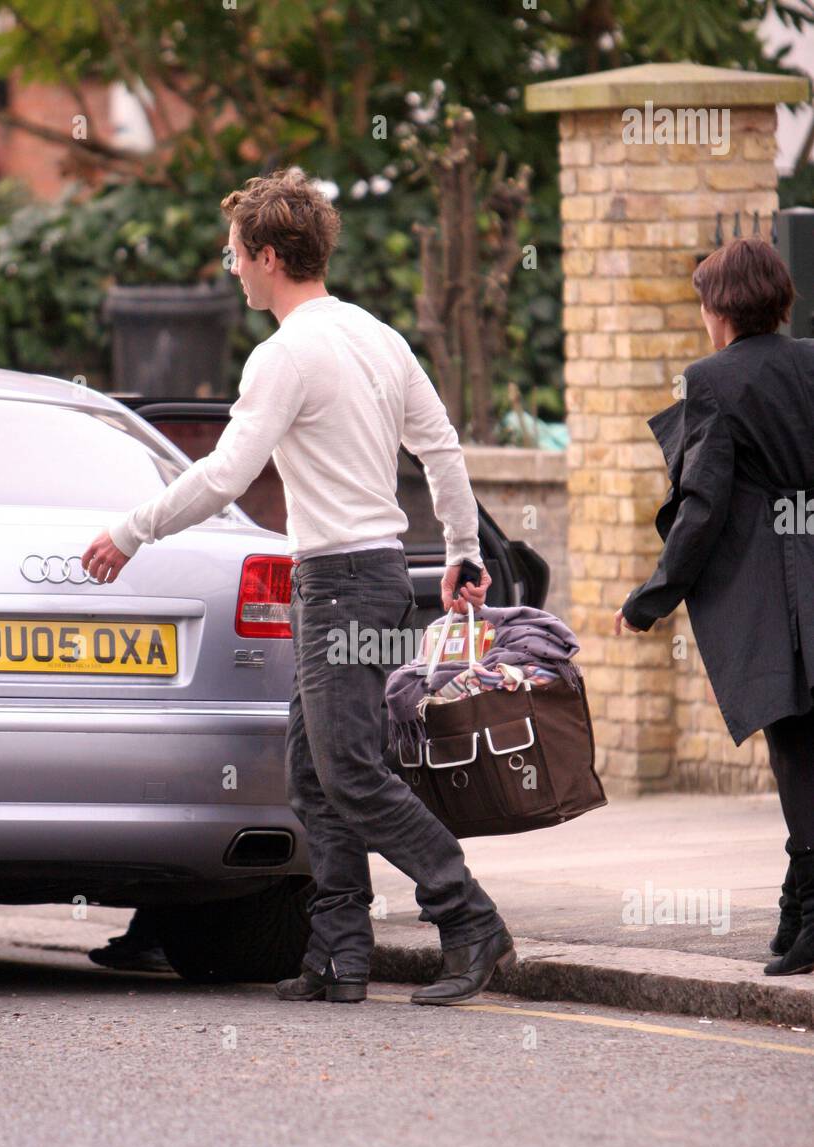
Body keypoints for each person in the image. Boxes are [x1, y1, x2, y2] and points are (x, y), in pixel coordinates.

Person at [82, 167, 514, 1005]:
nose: (229, 265)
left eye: (236, 252)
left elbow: (223, 477)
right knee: (313, 773)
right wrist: (460, 545)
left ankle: (469, 916)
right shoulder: (379, 337)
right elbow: (444, 450)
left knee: (349, 770)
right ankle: (339, 956)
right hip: (376, 574)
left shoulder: (283, 356)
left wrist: (129, 533)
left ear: (270, 256)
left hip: (343, 581)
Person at [612, 235, 814, 976]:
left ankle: (812, 912)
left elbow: (701, 507)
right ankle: (799, 904)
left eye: (703, 303)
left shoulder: (714, 382)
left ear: (720, 308)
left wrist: (649, 601)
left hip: (775, 598)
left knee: (795, 751)